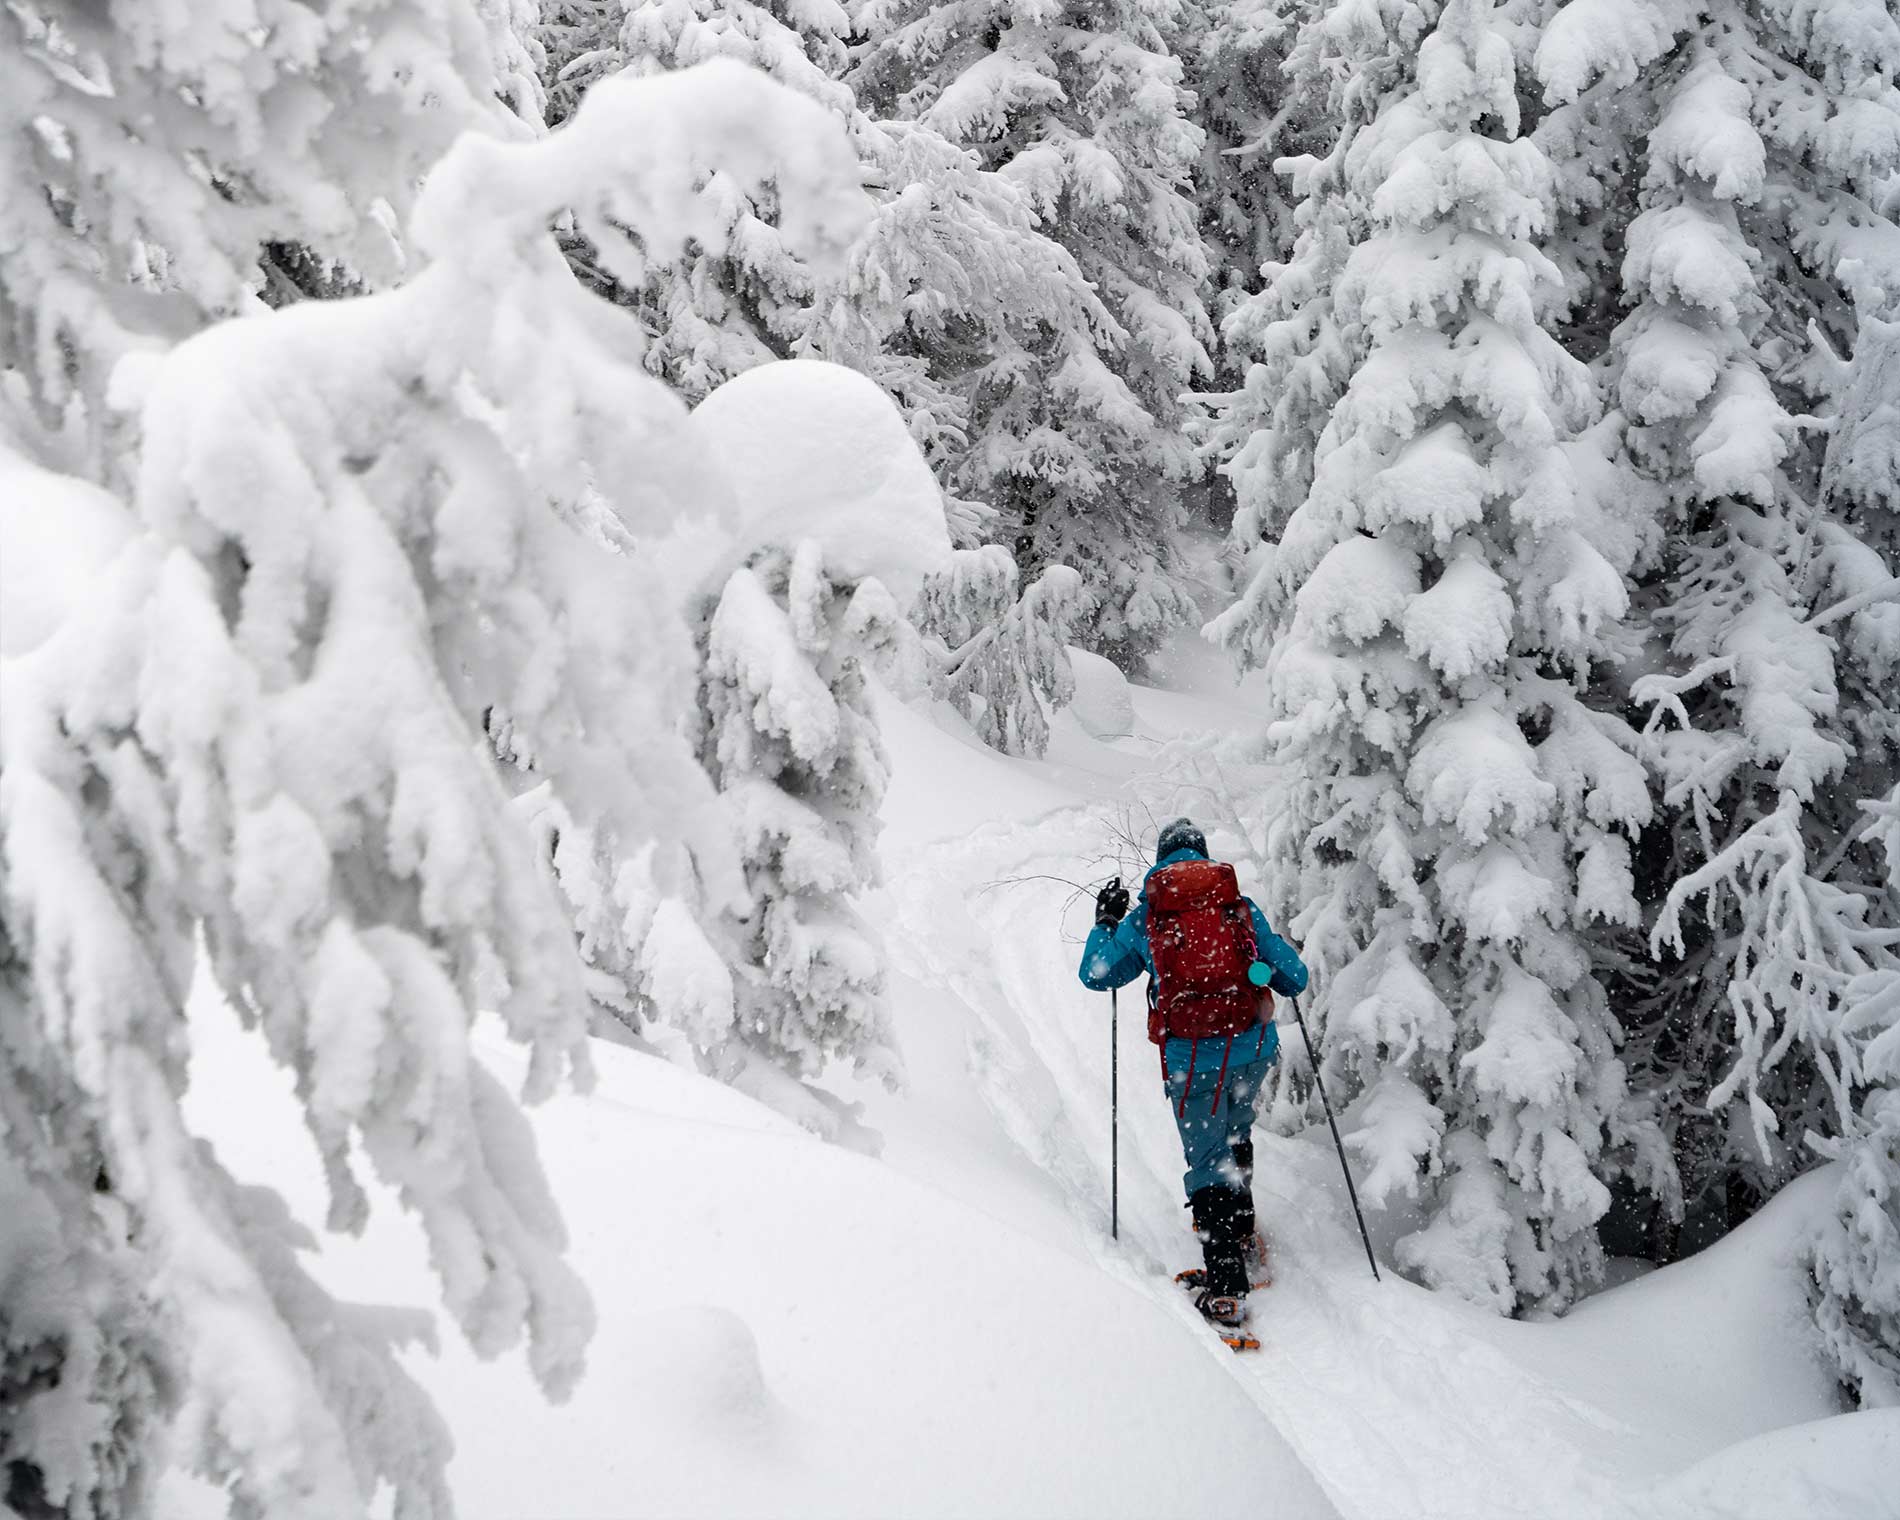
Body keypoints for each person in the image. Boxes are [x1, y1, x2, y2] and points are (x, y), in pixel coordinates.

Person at [1077, 817, 1307, 1329]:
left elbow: (1096, 975)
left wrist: (1106, 922)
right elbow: (1295, 977)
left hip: (1193, 1059)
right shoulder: (1237, 907)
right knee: (1237, 1132)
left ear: (1162, 860)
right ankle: (1240, 1232)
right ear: (1204, 856)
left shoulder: (1149, 916)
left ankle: (1226, 1289)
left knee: (1207, 1158)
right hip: (1252, 1049)